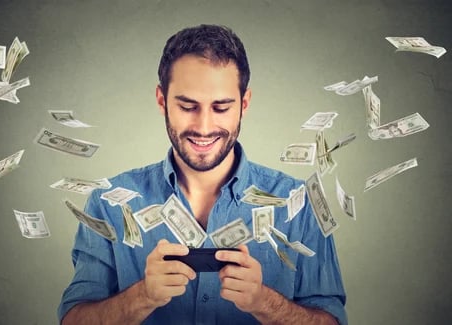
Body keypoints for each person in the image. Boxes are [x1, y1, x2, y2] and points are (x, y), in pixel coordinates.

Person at [58, 24, 347, 325]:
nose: (204, 126)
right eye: (187, 106)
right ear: (162, 101)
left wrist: (264, 302)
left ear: (244, 104)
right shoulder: (108, 204)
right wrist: (143, 296)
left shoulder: (298, 206)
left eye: (221, 107)